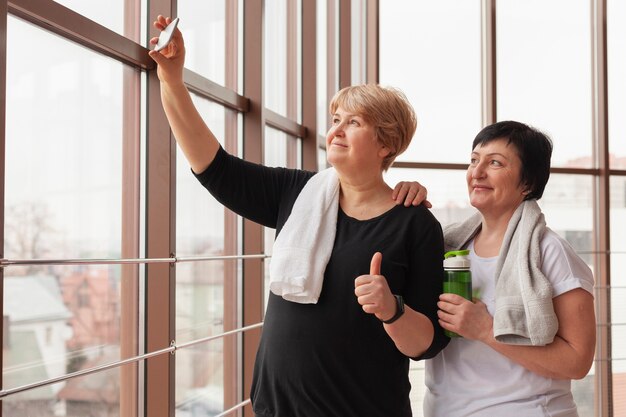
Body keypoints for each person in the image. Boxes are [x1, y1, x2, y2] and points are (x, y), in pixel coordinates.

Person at [148, 15, 448, 417]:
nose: (336, 130)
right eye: (336, 120)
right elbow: (213, 167)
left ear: (386, 144)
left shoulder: (415, 224)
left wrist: (391, 308)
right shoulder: (298, 194)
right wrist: (171, 79)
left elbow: (426, 342)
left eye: (354, 122)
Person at [393, 120, 596, 416]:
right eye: (474, 160)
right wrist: (404, 208)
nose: (477, 172)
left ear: (527, 183)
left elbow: (578, 362)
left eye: (495, 163)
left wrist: (486, 330)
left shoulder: (550, 252)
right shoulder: (446, 246)